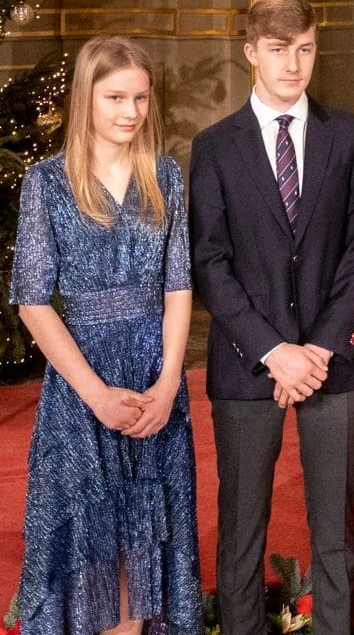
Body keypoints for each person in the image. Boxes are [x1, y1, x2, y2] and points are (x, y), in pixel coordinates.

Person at [189, 0, 354, 634]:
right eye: (278, 51)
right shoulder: (215, 147)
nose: (293, 64)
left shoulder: (352, 138)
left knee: (336, 524)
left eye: (304, 49)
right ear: (251, 53)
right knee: (243, 524)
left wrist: (320, 348)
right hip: (250, 362)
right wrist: (275, 350)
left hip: (335, 360)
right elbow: (210, 263)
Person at [10, 36, 200, 634]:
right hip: (81, 385)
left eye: (141, 98)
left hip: (155, 384)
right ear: (85, 98)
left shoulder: (165, 175)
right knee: (91, 543)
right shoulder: (47, 182)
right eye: (115, 96)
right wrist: (94, 394)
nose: (130, 111)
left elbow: (178, 285)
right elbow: (32, 302)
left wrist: (170, 382)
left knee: (148, 538)